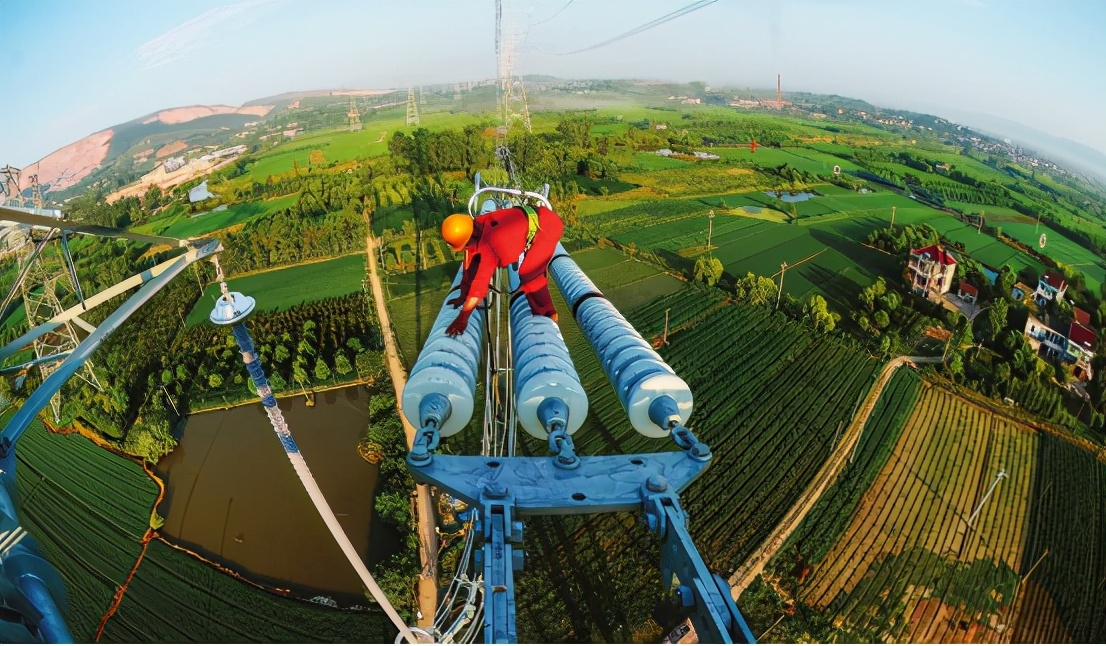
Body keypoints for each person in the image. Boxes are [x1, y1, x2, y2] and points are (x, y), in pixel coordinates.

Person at [440, 203, 564, 336]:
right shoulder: (477, 225)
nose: (465, 249)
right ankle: (544, 313)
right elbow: (470, 264)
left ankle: (548, 315)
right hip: (537, 218)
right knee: (528, 272)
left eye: (464, 246)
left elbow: (479, 286)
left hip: (547, 227)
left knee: (529, 274)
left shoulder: (491, 243)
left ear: (470, 238)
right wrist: (463, 295)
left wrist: (462, 319)